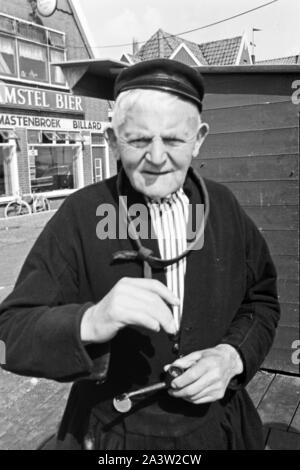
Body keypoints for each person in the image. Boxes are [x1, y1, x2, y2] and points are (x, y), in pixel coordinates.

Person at [0, 59, 280, 450]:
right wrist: (92, 320)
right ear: (113, 139)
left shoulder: (222, 207)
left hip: (218, 429)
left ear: (198, 138)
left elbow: (261, 301)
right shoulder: (83, 214)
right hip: (113, 434)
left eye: (175, 140)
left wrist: (232, 357)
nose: (157, 157)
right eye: (138, 140)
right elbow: (10, 334)